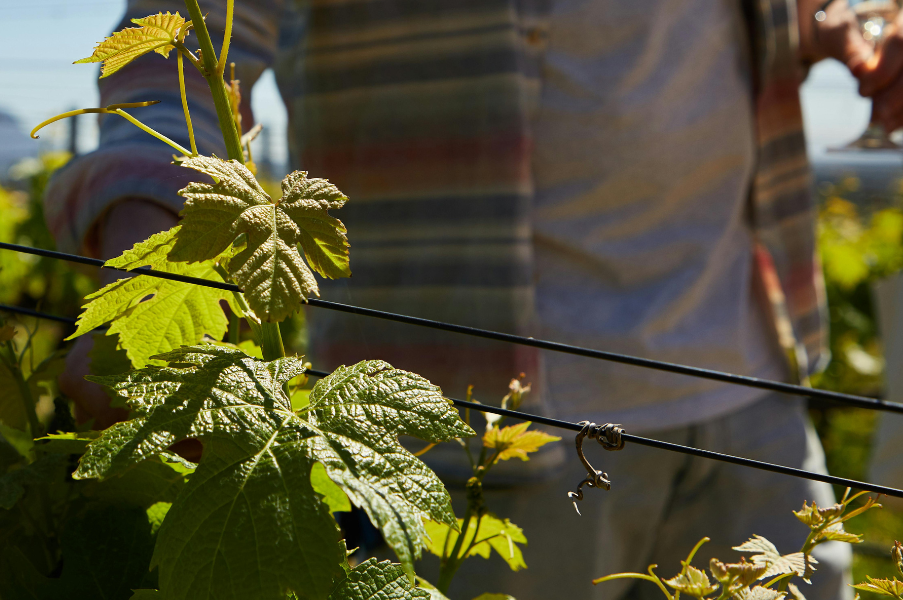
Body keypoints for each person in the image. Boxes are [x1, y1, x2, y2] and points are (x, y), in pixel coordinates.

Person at [45, 1, 896, 598]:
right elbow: (172, 52)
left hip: (755, 394)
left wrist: (833, 22)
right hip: (467, 431)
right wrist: (152, 282)